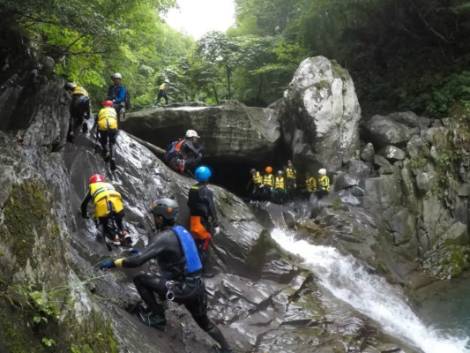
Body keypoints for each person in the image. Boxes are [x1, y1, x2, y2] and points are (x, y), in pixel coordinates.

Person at [98, 198, 232, 353]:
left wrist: (114, 262)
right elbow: (172, 253)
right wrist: (143, 252)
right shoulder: (182, 231)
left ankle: (158, 317)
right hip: (197, 287)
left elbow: (137, 262)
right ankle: (227, 349)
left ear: (160, 218)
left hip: (182, 288)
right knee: (205, 323)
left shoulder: (163, 237)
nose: (154, 219)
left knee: (141, 279)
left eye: (155, 216)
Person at [81, 174, 130, 246]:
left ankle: (115, 238)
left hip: (103, 205)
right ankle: (125, 232)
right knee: (119, 219)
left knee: (105, 223)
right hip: (117, 204)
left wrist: (84, 215)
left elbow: (84, 204)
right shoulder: (109, 185)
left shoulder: (92, 187)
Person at [188, 166, 220, 264]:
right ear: (207, 178)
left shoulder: (192, 188)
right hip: (202, 222)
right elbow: (211, 207)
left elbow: (189, 203)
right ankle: (202, 270)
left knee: (195, 244)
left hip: (193, 220)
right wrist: (216, 224)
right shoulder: (207, 191)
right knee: (204, 246)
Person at [96, 100, 119, 171]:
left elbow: (97, 119)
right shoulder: (113, 110)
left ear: (105, 105)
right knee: (112, 142)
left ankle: (106, 152)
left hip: (103, 124)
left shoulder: (101, 110)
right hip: (112, 124)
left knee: (103, 140)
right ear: (111, 105)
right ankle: (113, 157)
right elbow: (116, 118)